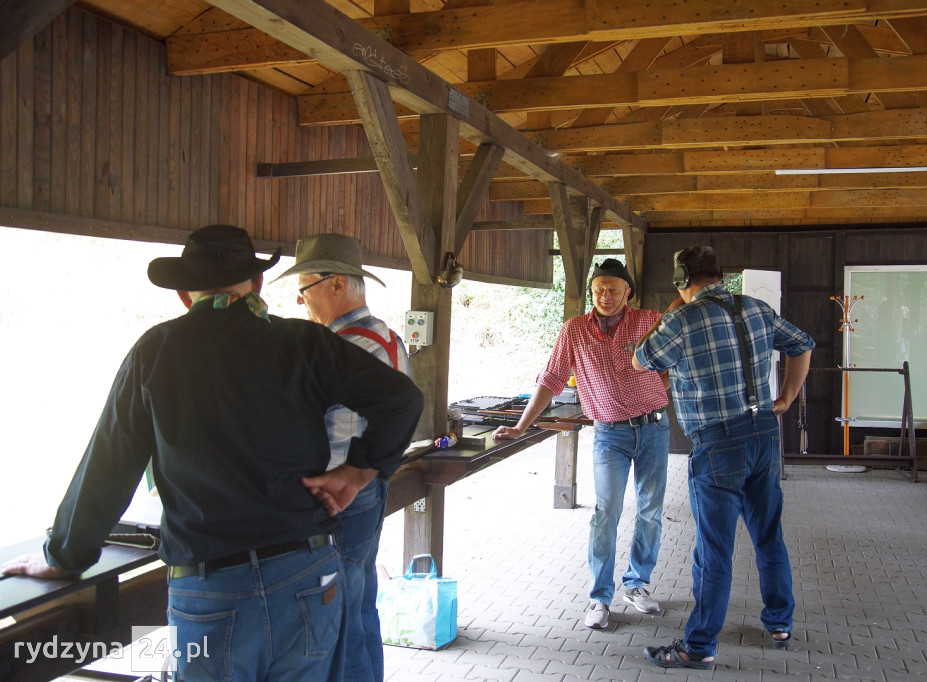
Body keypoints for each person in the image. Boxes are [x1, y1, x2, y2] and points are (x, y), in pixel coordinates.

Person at [1, 225, 424, 681]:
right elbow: (402, 400)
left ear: (185, 294)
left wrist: (64, 555)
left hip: (211, 588)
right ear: (257, 284)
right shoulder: (305, 343)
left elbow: (107, 471)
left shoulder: (156, 353)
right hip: (306, 576)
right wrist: (358, 471)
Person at [632, 245, 814, 670]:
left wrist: (672, 310)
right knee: (768, 535)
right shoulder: (757, 308)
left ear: (681, 278)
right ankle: (780, 623)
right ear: (720, 275)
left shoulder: (681, 317)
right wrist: (786, 396)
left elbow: (641, 361)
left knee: (715, 550)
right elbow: (803, 344)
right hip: (765, 433)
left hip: (717, 443)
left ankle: (699, 646)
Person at [494, 259, 670, 630]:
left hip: (654, 428)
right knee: (606, 512)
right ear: (592, 291)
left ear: (628, 292)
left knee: (651, 509)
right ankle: (599, 597)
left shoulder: (649, 320)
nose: (606, 296)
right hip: (610, 434)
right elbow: (553, 378)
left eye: (614, 289)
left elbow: (673, 359)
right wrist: (522, 426)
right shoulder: (575, 330)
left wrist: (661, 386)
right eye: (599, 289)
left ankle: (636, 583)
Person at [274, 233, 410, 682]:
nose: (299, 299)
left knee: (340, 618)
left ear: (337, 285)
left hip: (342, 490)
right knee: (361, 603)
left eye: (306, 285)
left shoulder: (341, 347)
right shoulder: (387, 337)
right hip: (371, 485)